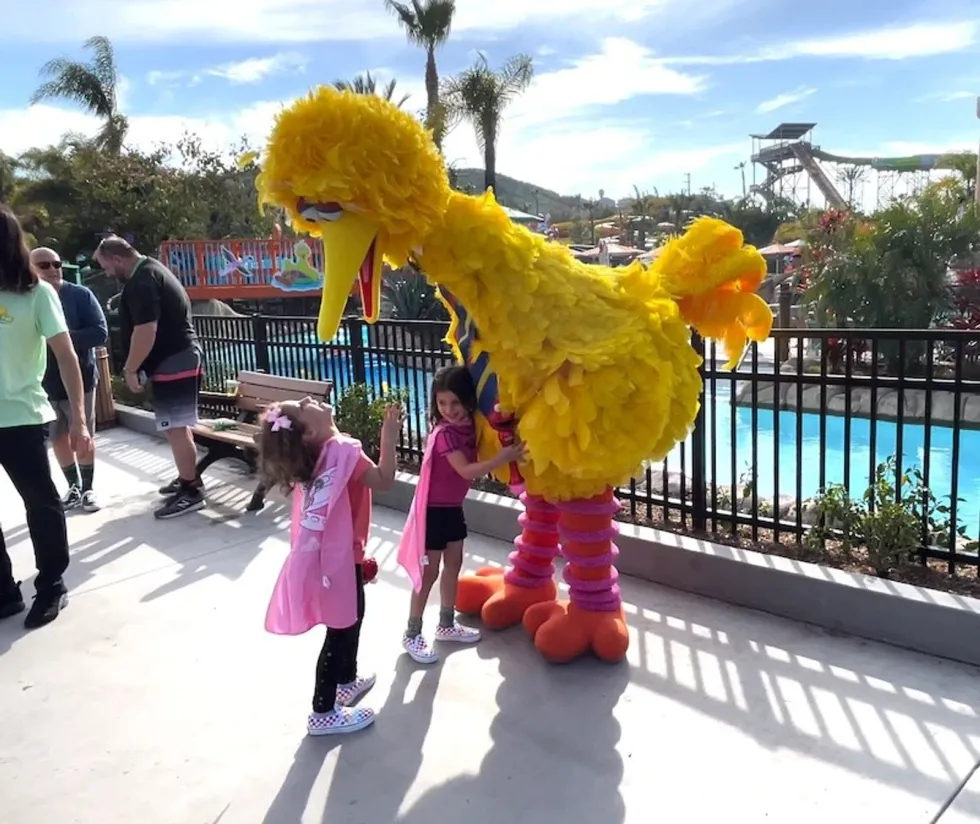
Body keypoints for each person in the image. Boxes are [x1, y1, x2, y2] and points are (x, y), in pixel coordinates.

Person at [258, 395, 401, 736]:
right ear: (308, 431)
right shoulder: (343, 453)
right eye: (304, 405)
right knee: (342, 628)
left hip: (331, 556)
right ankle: (323, 711)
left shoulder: (318, 456)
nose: (310, 398)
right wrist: (389, 437)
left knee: (351, 617)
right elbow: (384, 479)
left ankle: (346, 681)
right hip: (342, 558)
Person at [0, 205, 94, 628]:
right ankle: (4, 591)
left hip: (19, 416)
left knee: (39, 501)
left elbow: (67, 356)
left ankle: (52, 584)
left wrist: (79, 418)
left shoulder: (37, 293)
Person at [396, 366, 526, 664]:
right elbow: (466, 470)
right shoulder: (444, 435)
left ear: (467, 400)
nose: (449, 410)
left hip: (452, 509)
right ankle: (412, 633)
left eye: (454, 403)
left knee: (454, 564)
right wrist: (502, 458)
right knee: (428, 573)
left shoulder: (469, 425)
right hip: (433, 512)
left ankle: (445, 624)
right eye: (442, 403)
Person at [93, 235, 204, 519]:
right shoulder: (152, 270)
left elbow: (146, 330)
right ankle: (188, 478)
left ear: (118, 259)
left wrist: (131, 368)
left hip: (174, 359)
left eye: (106, 267)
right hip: (175, 357)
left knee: (175, 427)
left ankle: (191, 491)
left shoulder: (143, 280)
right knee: (176, 427)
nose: (107, 273)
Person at [31, 246, 108, 513]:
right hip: (45, 384)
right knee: (58, 437)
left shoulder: (80, 295)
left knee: (82, 434)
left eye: (55, 263)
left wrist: (59, 337)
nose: (52, 269)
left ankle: (88, 489)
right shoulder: (28, 298)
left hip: (81, 380)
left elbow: (99, 333)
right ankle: (73, 487)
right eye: (44, 265)